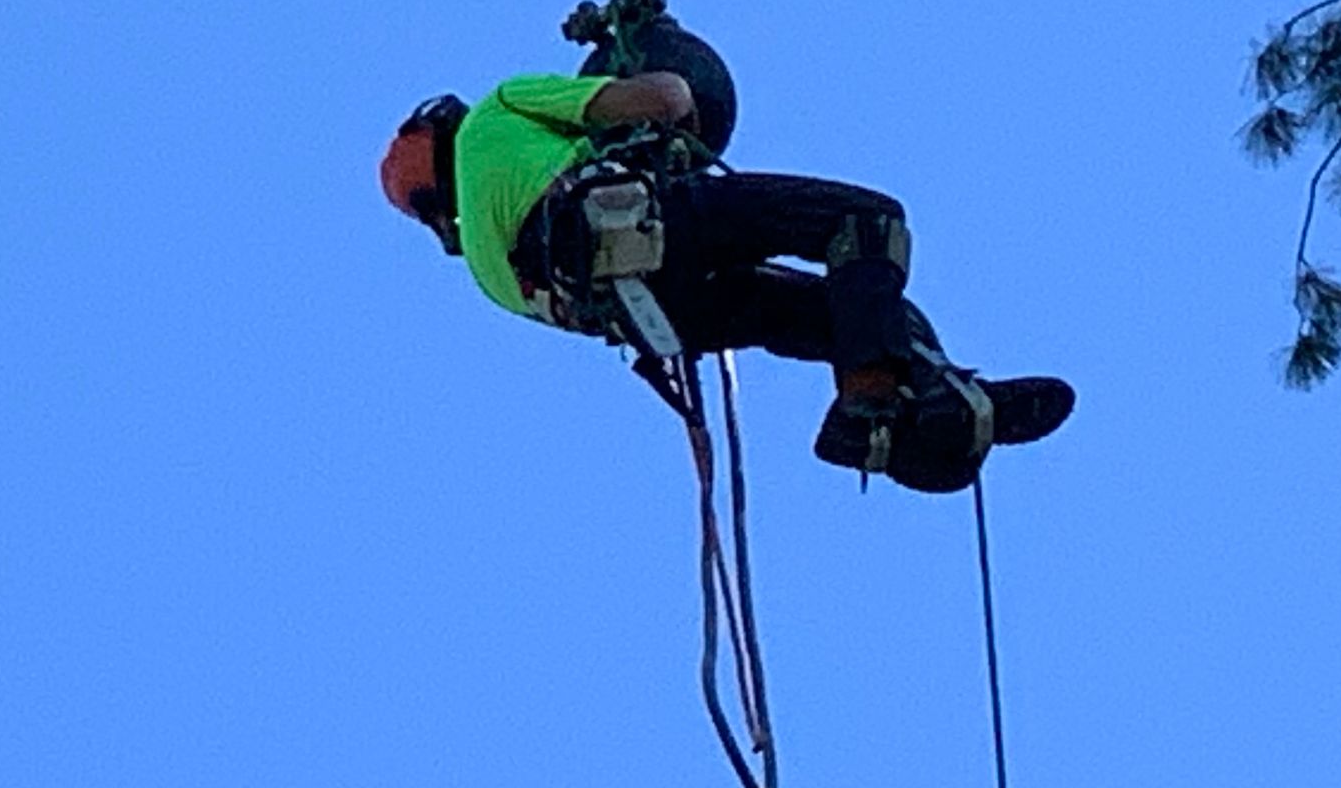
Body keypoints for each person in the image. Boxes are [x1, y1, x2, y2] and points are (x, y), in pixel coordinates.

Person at [380, 69, 1073, 492]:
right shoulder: (499, 110)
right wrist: (647, 88)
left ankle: (914, 417)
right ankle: (872, 402)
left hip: (664, 320)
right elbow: (666, 95)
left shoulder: (485, 275)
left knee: (859, 311)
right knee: (866, 225)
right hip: (661, 228)